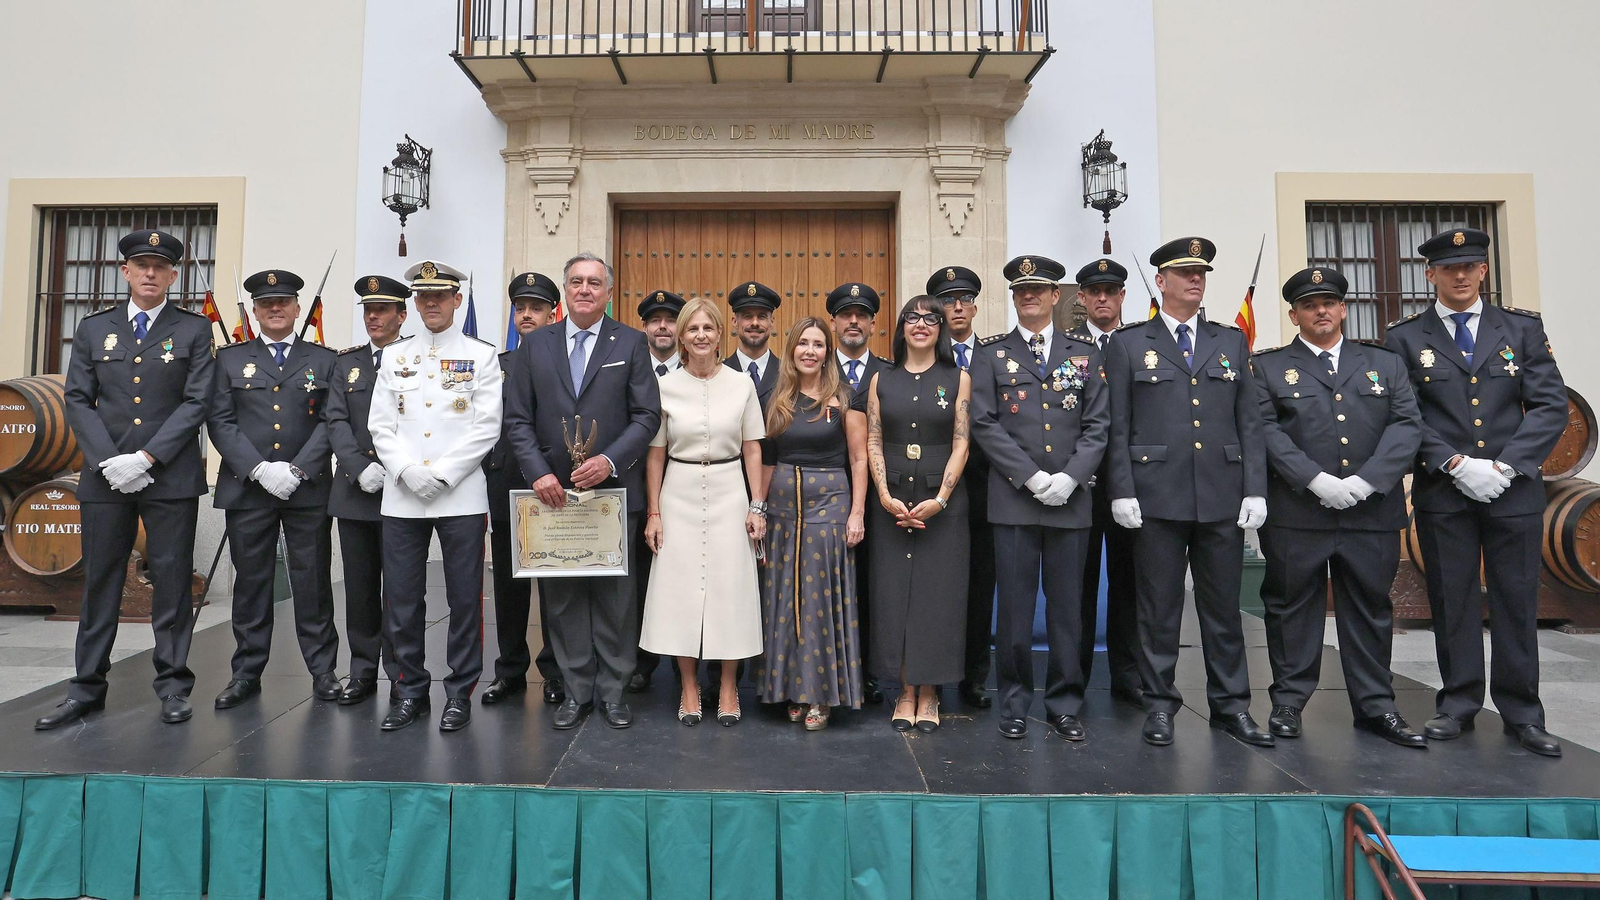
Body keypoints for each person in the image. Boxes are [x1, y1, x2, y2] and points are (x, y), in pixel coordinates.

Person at [1385, 227, 1567, 757]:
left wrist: (1507, 466)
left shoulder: (1522, 329)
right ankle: (1458, 704)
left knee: (1515, 599)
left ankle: (1524, 712)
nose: (1460, 276)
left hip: (1513, 491)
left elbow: (1551, 405)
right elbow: (1405, 414)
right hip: (1446, 490)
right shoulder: (1405, 338)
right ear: (1430, 274)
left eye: (1470, 266)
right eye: (1449, 268)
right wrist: (1455, 462)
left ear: (1484, 271)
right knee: (1453, 599)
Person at [37, 229, 214, 730]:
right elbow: (77, 398)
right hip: (106, 478)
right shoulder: (96, 329)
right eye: (142, 265)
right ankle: (86, 688)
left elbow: (197, 401)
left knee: (173, 583)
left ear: (173, 275)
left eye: (160, 266)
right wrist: (110, 460)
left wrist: (149, 457)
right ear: (126, 272)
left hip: (170, 477)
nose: (151, 273)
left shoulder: (193, 330)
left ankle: (174, 685)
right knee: (100, 583)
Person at [1105, 237, 1272, 748]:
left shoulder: (1230, 341)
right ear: (1161, 282)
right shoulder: (1129, 344)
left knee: (1223, 610)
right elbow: (1117, 426)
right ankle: (1159, 704)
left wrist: (1255, 488)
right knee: (1158, 610)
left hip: (1220, 495)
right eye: (1183, 273)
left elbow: (1249, 422)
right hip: (1155, 496)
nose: (1195, 280)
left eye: (1201, 272)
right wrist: (1122, 489)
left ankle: (1232, 706)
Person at [1253, 266, 1425, 748]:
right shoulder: (1267, 368)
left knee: (1370, 606)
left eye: (1329, 302)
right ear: (1295, 314)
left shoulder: (1384, 363)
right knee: (1291, 607)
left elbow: (1407, 424)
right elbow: (1266, 431)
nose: (1321, 311)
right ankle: (1288, 702)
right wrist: (1316, 479)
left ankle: (1376, 706)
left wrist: (1369, 481)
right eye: (1310, 304)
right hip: (1298, 511)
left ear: (1344, 308)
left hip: (1370, 511)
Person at [505, 252, 661, 731]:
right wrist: (537, 473)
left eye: (595, 282)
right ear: (566, 291)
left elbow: (647, 416)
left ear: (609, 292)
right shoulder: (535, 346)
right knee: (564, 597)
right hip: (551, 494)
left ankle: (614, 692)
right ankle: (576, 691)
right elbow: (517, 419)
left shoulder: (632, 344)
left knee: (616, 598)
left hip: (611, 495)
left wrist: (610, 460)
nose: (585, 289)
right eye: (576, 282)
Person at [968, 257, 1106, 740]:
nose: (1029, 296)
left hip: (1071, 501)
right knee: (1015, 611)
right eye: (1021, 290)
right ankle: (1014, 701)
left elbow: (1097, 425)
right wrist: (1029, 477)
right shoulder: (990, 353)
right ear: (1013, 298)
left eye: (1039, 289)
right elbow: (983, 422)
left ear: (1055, 297)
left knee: (1068, 609)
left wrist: (1070, 478)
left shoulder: (1084, 352)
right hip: (1013, 500)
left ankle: (1065, 702)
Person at [368, 259, 502, 732]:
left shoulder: (481, 355)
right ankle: (408, 691)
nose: (430, 304)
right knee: (402, 598)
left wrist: (441, 475)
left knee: (465, 599)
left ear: (456, 300)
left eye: (439, 296)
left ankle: (459, 691)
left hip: (460, 495)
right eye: (422, 297)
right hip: (403, 495)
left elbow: (486, 427)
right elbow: (380, 425)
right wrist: (406, 470)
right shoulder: (394, 356)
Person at [207, 268, 342, 710]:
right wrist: (260, 469)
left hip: (307, 489)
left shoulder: (324, 360)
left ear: (297, 308)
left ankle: (323, 671)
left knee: (313, 581)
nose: (276, 309)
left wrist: (299, 469)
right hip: (249, 488)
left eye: (283, 302)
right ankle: (246, 672)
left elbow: (331, 422)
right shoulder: (229, 359)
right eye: (267, 304)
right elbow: (220, 422)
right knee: (252, 583)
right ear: (256, 311)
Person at [641, 298, 768, 726]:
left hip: (731, 489)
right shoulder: (665, 385)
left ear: (720, 334)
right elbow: (655, 454)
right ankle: (690, 687)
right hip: (678, 490)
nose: (700, 336)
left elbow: (753, 447)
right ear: (681, 335)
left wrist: (756, 505)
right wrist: (654, 513)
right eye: (692, 329)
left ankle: (729, 687)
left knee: (730, 590)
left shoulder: (741, 384)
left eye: (708, 329)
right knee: (680, 591)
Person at [865, 291, 973, 733]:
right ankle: (904, 691)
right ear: (901, 326)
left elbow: (962, 440)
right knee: (894, 599)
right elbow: (872, 439)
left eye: (931, 318)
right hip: (890, 502)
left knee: (936, 600)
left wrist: (942, 497)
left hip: (941, 505)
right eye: (913, 317)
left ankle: (929, 694)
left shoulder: (958, 376)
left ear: (941, 328)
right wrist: (884, 493)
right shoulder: (879, 379)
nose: (922, 324)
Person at [758, 317, 868, 730]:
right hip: (784, 509)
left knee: (819, 600)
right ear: (791, 349)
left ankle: (819, 695)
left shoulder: (844, 398)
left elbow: (858, 459)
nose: (810, 350)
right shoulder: (776, 398)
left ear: (828, 352)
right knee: (783, 597)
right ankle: (788, 688)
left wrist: (857, 512)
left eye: (818, 344)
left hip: (829, 506)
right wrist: (760, 510)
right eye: (802, 343)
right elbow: (768, 460)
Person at [326, 275, 409, 705]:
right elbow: (335, 420)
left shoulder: (418, 357)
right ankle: (361, 671)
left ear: (402, 315)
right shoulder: (346, 363)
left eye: (382, 310)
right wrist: (358, 468)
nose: (373, 317)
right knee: (359, 588)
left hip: (402, 490)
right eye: (367, 310)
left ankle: (399, 672)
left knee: (399, 588)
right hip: (355, 490)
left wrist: (393, 468)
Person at [483, 272, 565, 707]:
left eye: (536, 307)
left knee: (553, 586)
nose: (527, 314)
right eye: (521, 308)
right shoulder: (494, 365)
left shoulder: (563, 361)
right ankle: (510, 670)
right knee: (510, 588)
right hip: (504, 484)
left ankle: (553, 671)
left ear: (554, 313)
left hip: (549, 486)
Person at [1067, 258, 1142, 705]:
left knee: (1130, 582)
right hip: (1082, 483)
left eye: (1110, 291)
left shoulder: (1138, 345)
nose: (1102, 298)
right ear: (1080, 297)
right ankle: (1073, 675)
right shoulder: (1068, 347)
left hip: (1131, 482)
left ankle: (1127, 675)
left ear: (1121, 296)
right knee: (1077, 584)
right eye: (1093, 291)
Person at [932, 266, 998, 710]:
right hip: (934, 490)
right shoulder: (922, 360)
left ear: (975, 306)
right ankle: (932, 676)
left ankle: (974, 677)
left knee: (979, 585)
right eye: (947, 301)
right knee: (937, 587)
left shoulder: (996, 358)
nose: (957, 306)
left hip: (988, 489)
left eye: (964, 299)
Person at [831, 283, 892, 706]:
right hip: (825, 498)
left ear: (873, 323)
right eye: (845, 314)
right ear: (834, 322)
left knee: (871, 587)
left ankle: (868, 672)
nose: (854, 321)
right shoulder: (813, 369)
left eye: (862, 314)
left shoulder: (890, 374)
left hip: (878, 500)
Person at [627, 289, 685, 695]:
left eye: (670, 320)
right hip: (634, 487)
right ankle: (639, 662)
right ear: (644, 327)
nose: (662, 327)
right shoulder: (629, 367)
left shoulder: (701, 369)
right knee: (638, 581)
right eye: (655, 320)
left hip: (687, 491)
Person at [724, 281, 782, 404]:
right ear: (734, 321)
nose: (755, 323)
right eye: (747, 316)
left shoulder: (788, 372)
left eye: (762, 316)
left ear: (772, 322)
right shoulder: (719, 373)